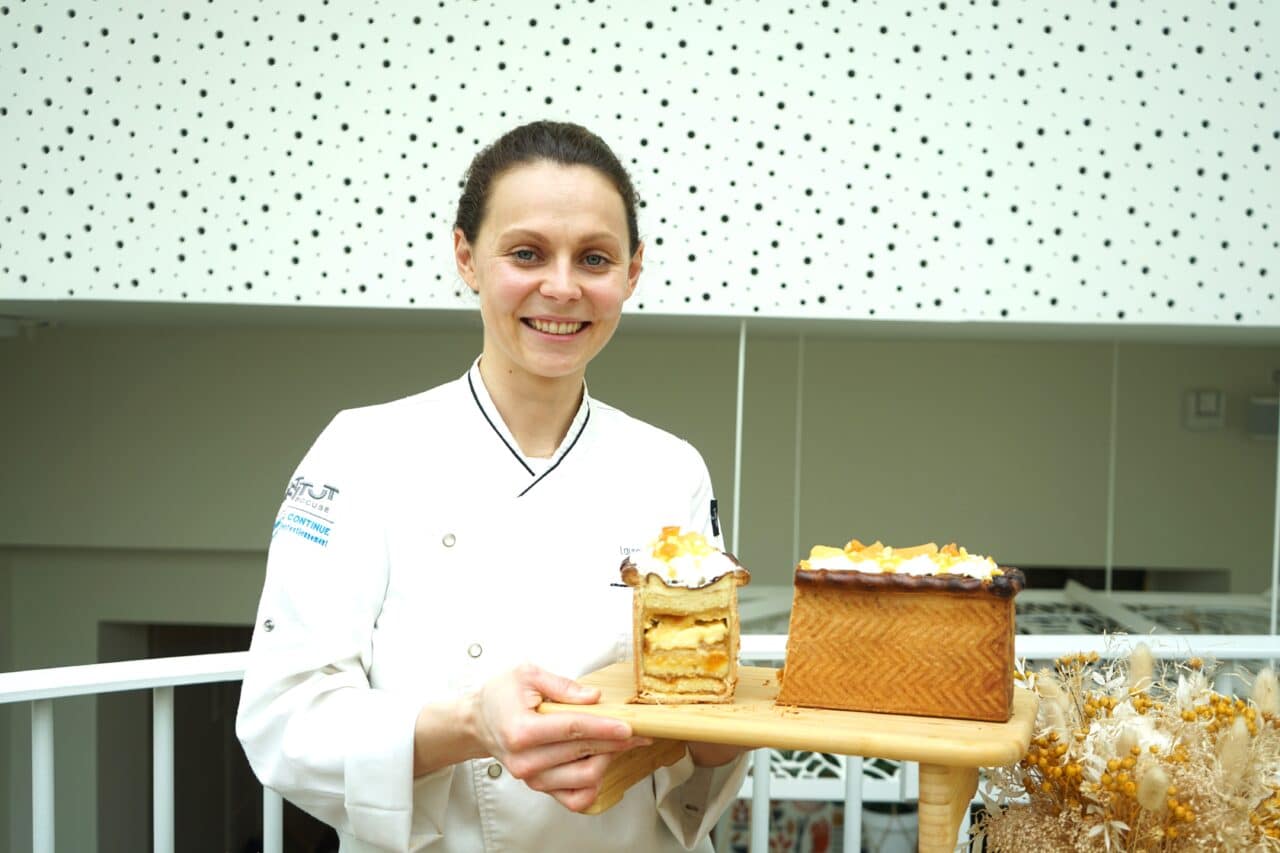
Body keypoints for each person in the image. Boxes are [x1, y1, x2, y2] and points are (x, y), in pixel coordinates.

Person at [236, 120, 750, 853]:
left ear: (632, 275)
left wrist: (715, 733)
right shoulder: (362, 451)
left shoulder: (672, 469)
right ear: (466, 257)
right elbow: (284, 718)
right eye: (526, 253)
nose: (562, 286)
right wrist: (473, 724)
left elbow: (698, 734)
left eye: (595, 258)